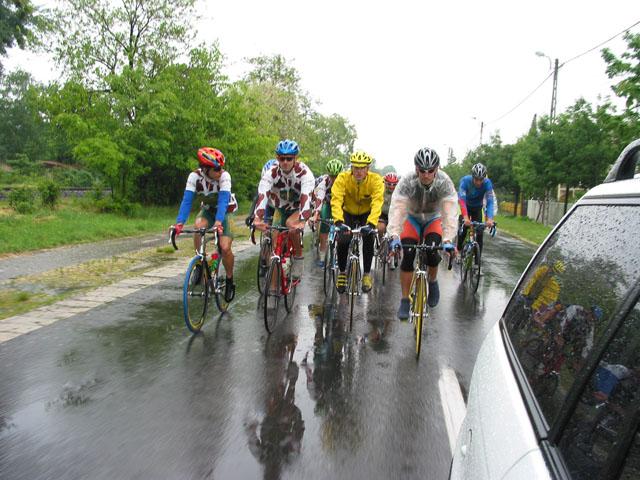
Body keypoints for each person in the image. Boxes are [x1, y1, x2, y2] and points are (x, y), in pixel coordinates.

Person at [388, 147, 457, 319]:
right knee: (408, 253)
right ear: (416, 168)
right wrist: (394, 235)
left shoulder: (444, 181)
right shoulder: (407, 181)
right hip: (411, 217)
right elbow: (398, 209)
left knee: (433, 251)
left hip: (433, 218)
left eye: (430, 171)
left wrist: (448, 239)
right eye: (422, 170)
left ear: (437, 169)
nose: (426, 175)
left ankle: (432, 281)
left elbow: (449, 212)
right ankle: (405, 299)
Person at [173, 147, 238, 302]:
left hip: (225, 211)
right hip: (208, 210)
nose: (221, 171)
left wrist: (218, 222)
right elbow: (187, 201)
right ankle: (200, 263)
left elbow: (223, 201)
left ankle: (229, 279)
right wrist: (179, 224)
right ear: (205, 169)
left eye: (221, 167)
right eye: (217, 168)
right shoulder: (194, 177)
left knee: (225, 247)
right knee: (198, 226)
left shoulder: (224, 176)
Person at [253, 139, 315, 280]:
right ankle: (273, 287)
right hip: (280, 208)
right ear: (277, 158)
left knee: (291, 225)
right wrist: (257, 218)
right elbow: (262, 195)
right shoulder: (271, 173)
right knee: (275, 245)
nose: (285, 162)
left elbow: (306, 196)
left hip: (298, 207)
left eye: (289, 158)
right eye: (282, 158)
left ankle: (298, 257)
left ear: (295, 158)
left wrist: (302, 221)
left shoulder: (305, 173)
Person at [330, 151, 384, 293]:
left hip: (366, 213)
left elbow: (377, 202)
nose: (359, 171)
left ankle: (366, 274)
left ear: (368, 168)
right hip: (348, 212)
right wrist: (338, 221)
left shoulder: (375, 180)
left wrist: (371, 224)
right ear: (351, 168)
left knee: (369, 239)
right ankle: (342, 272)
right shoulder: (343, 178)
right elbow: (336, 200)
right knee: (343, 240)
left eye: (362, 168)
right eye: (356, 168)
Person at [456, 163, 495, 255]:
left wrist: (490, 218)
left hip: (477, 207)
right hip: (465, 206)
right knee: (463, 230)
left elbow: (490, 202)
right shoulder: (465, 181)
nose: (478, 182)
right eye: (476, 179)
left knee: (480, 233)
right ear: (472, 177)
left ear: (484, 178)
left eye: (481, 179)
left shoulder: (487, 183)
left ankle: (478, 260)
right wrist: (465, 217)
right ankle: (458, 250)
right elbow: (462, 200)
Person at [312, 158, 343, 268]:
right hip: (328, 205)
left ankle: (340, 255)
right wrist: (316, 214)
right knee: (324, 227)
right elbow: (320, 198)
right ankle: (322, 256)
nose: (334, 179)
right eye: (332, 176)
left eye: (336, 176)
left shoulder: (346, 181)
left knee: (342, 229)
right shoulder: (324, 182)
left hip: (341, 206)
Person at [377, 172, 400, 237]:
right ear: (384, 182)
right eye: (389, 184)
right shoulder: (380, 189)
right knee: (380, 228)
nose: (391, 186)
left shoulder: (400, 191)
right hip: (382, 214)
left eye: (394, 184)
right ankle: (380, 241)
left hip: (394, 215)